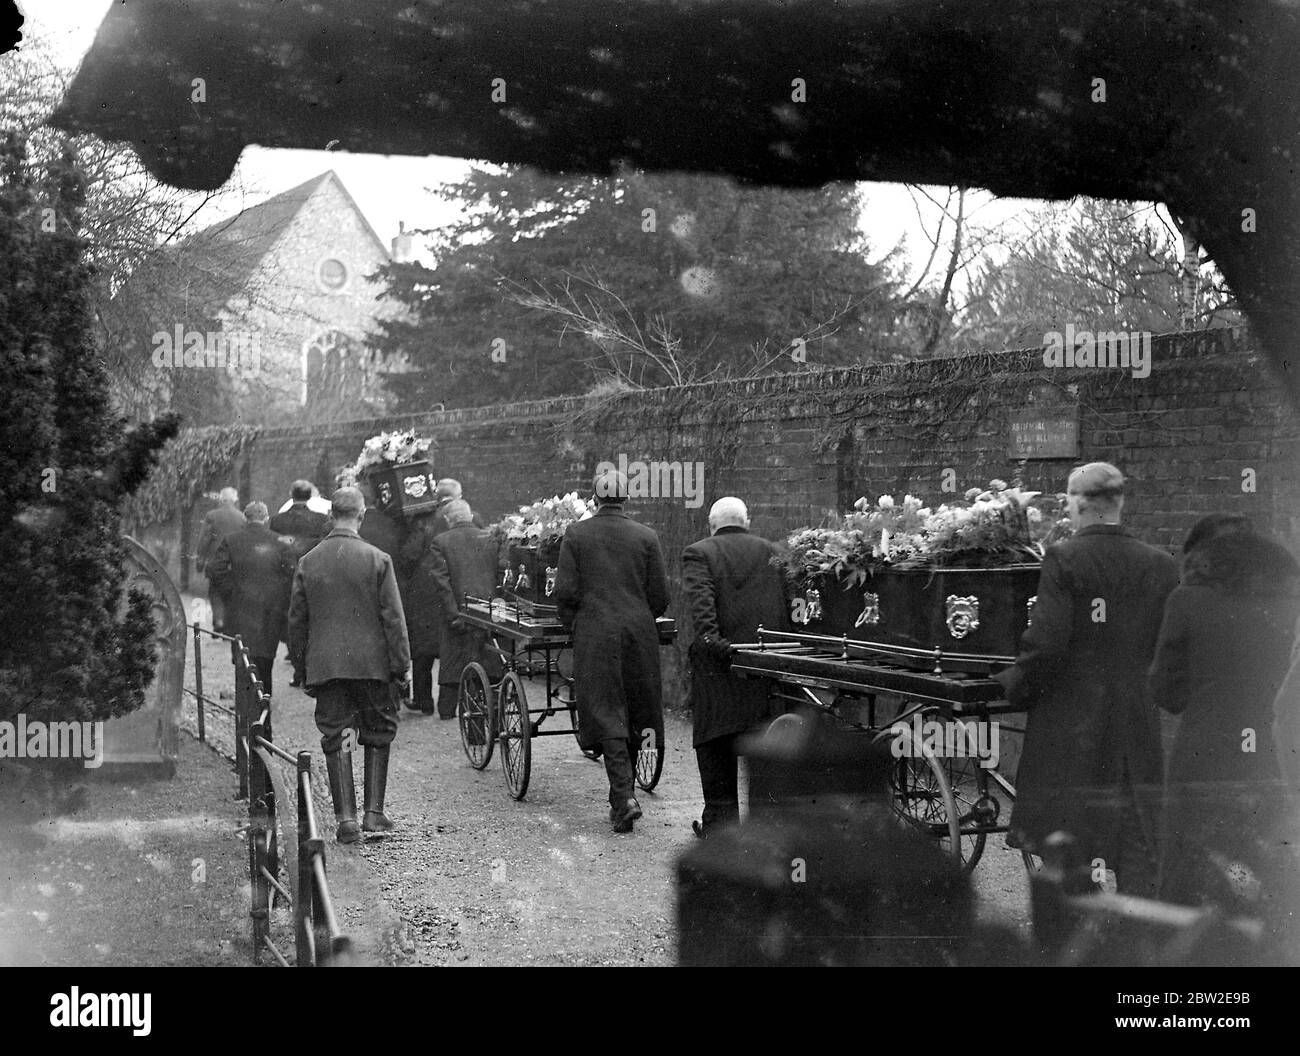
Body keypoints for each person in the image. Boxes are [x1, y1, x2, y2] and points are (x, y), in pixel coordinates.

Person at [994, 462, 1178, 896]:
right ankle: (1140, 941)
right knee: (1137, 839)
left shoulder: (1065, 557)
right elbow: (1163, 650)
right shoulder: (1163, 564)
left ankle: (1077, 947)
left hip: (1074, 725)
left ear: (1077, 503)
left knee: (1071, 841)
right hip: (1135, 723)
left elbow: (1047, 644)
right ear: (1119, 503)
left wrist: (1014, 685)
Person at [1148, 526, 1300, 921]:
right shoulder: (1290, 603)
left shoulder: (1188, 601)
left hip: (1204, 756)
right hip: (1274, 756)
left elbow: (1166, 692)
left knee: (1189, 871)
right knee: (1270, 869)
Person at [288, 487, 411, 844]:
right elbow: (393, 618)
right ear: (361, 515)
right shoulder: (378, 559)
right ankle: (374, 813)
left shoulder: (309, 561)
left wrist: (303, 668)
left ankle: (346, 821)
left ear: (331, 516)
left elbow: (297, 622)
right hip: (373, 666)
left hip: (327, 667)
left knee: (338, 733)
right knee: (378, 730)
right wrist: (401, 664)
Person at [553, 467, 670, 833]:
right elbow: (660, 597)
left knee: (606, 709)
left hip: (596, 632)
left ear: (595, 498)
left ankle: (623, 797)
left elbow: (565, 593)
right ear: (625, 498)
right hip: (638, 633)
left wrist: (576, 623)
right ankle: (624, 796)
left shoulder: (577, 534)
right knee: (636, 706)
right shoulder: (646, 536)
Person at [682, 496, 792, 838]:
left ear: (712, 524)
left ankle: (721, 827)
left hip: (721, 669)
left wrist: (715, 645)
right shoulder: (773, 551)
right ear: (747, 521)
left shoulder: (699, 552)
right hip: (765, 670)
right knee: (765, 748)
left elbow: (703, 613)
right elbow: (788, 606)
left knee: (716, 747)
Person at [206, 502, 294, 696]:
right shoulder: (280, 542)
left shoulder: (231, 540)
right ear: (266, 518)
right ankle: (264, 719)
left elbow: (215, 570)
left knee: (243, 664)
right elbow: (290, 574)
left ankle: (245, 718)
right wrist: (277, 596)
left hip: (240, 611)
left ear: (245, 518)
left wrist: (232, 592)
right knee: (265, 665)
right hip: (269, 613)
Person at [427, 500, 504, 720]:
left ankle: (447, 708)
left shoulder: (441, 541)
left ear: (449, 519)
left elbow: (442, 583)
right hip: (487, 612)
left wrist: (454, 615)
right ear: (470, 516)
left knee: (453, 661)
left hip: (459, 612)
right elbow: (499, 577)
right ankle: (484, 707)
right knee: (485, 661)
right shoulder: (490, 539)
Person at [269, 480, 331, 687]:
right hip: (314, 576)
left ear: (291, 494)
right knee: (313, 622)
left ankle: (299, 671)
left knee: (293, 624)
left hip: (286, 579)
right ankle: (312, 671)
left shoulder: (276, 521)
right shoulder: (321, 520)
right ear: (310, 496)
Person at [194, 486, 245, 632]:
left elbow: (204, 539)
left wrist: (200, 560)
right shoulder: (241, 517)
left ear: (221, 499)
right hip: (235, 563)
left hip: (215, 562)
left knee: (215, 591)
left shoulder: (212, 515)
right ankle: (228, 625)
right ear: (234, 500)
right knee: (232, 592)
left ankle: (219, 620)